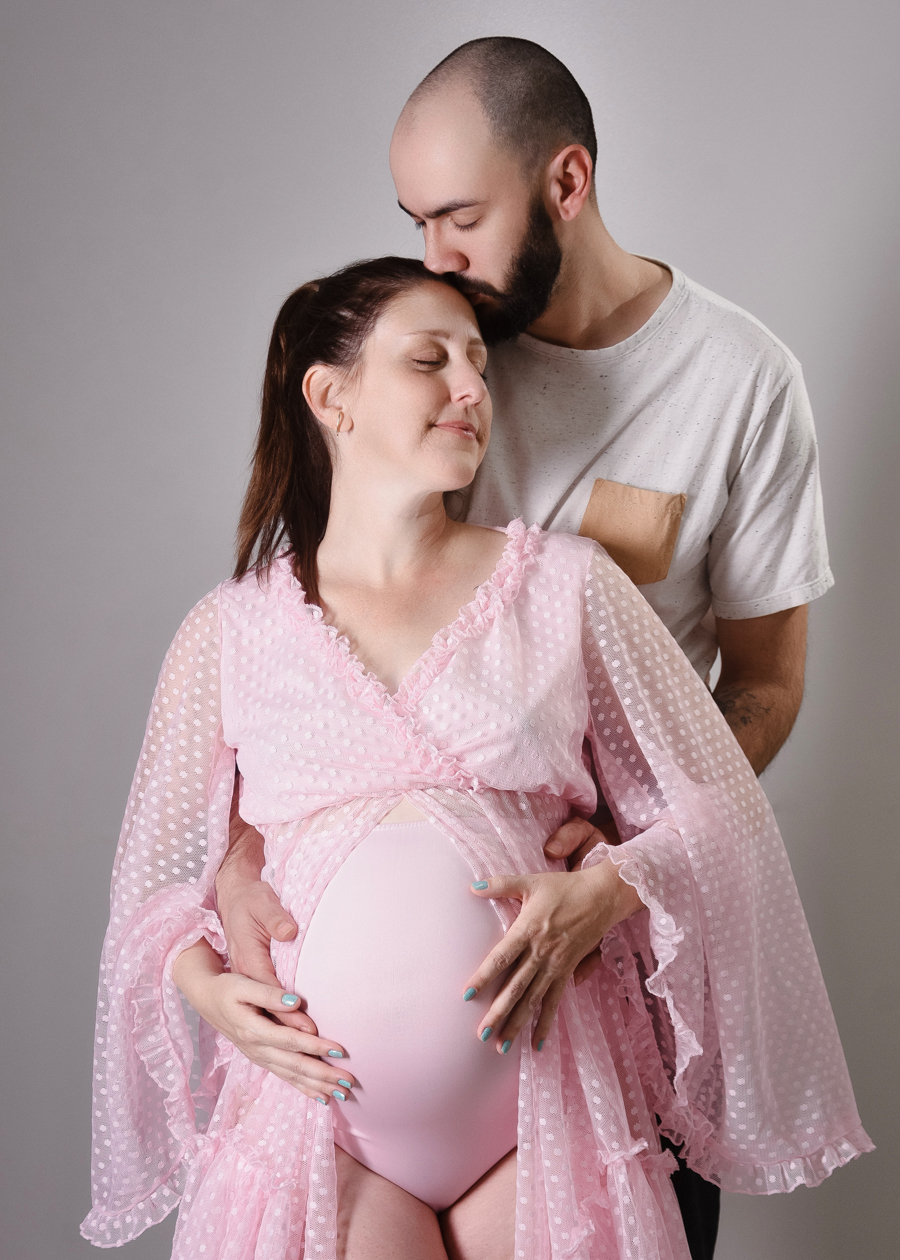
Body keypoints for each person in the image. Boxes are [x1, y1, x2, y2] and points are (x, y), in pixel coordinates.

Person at [81, 257, 870, 1260]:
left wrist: (613, 888)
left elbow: (722, 813)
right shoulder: (229, 631)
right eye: (430, 361)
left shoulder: (566, 587)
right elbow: (152, 889)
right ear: (330, 397)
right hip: (319, 1136)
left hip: (546, 1118)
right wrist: (204, 987)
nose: (470, 389)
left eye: (478, 368)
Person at [215, 39, 837, 1259]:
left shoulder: (741, 382)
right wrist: (240, 862)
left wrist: (630, 862)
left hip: (615, 974)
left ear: (566, 183)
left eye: (460, 219)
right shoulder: (425, 358)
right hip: (362, 1097)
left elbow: (767, 682)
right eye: (415, 222)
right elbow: (304, 672)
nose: (435, 256)